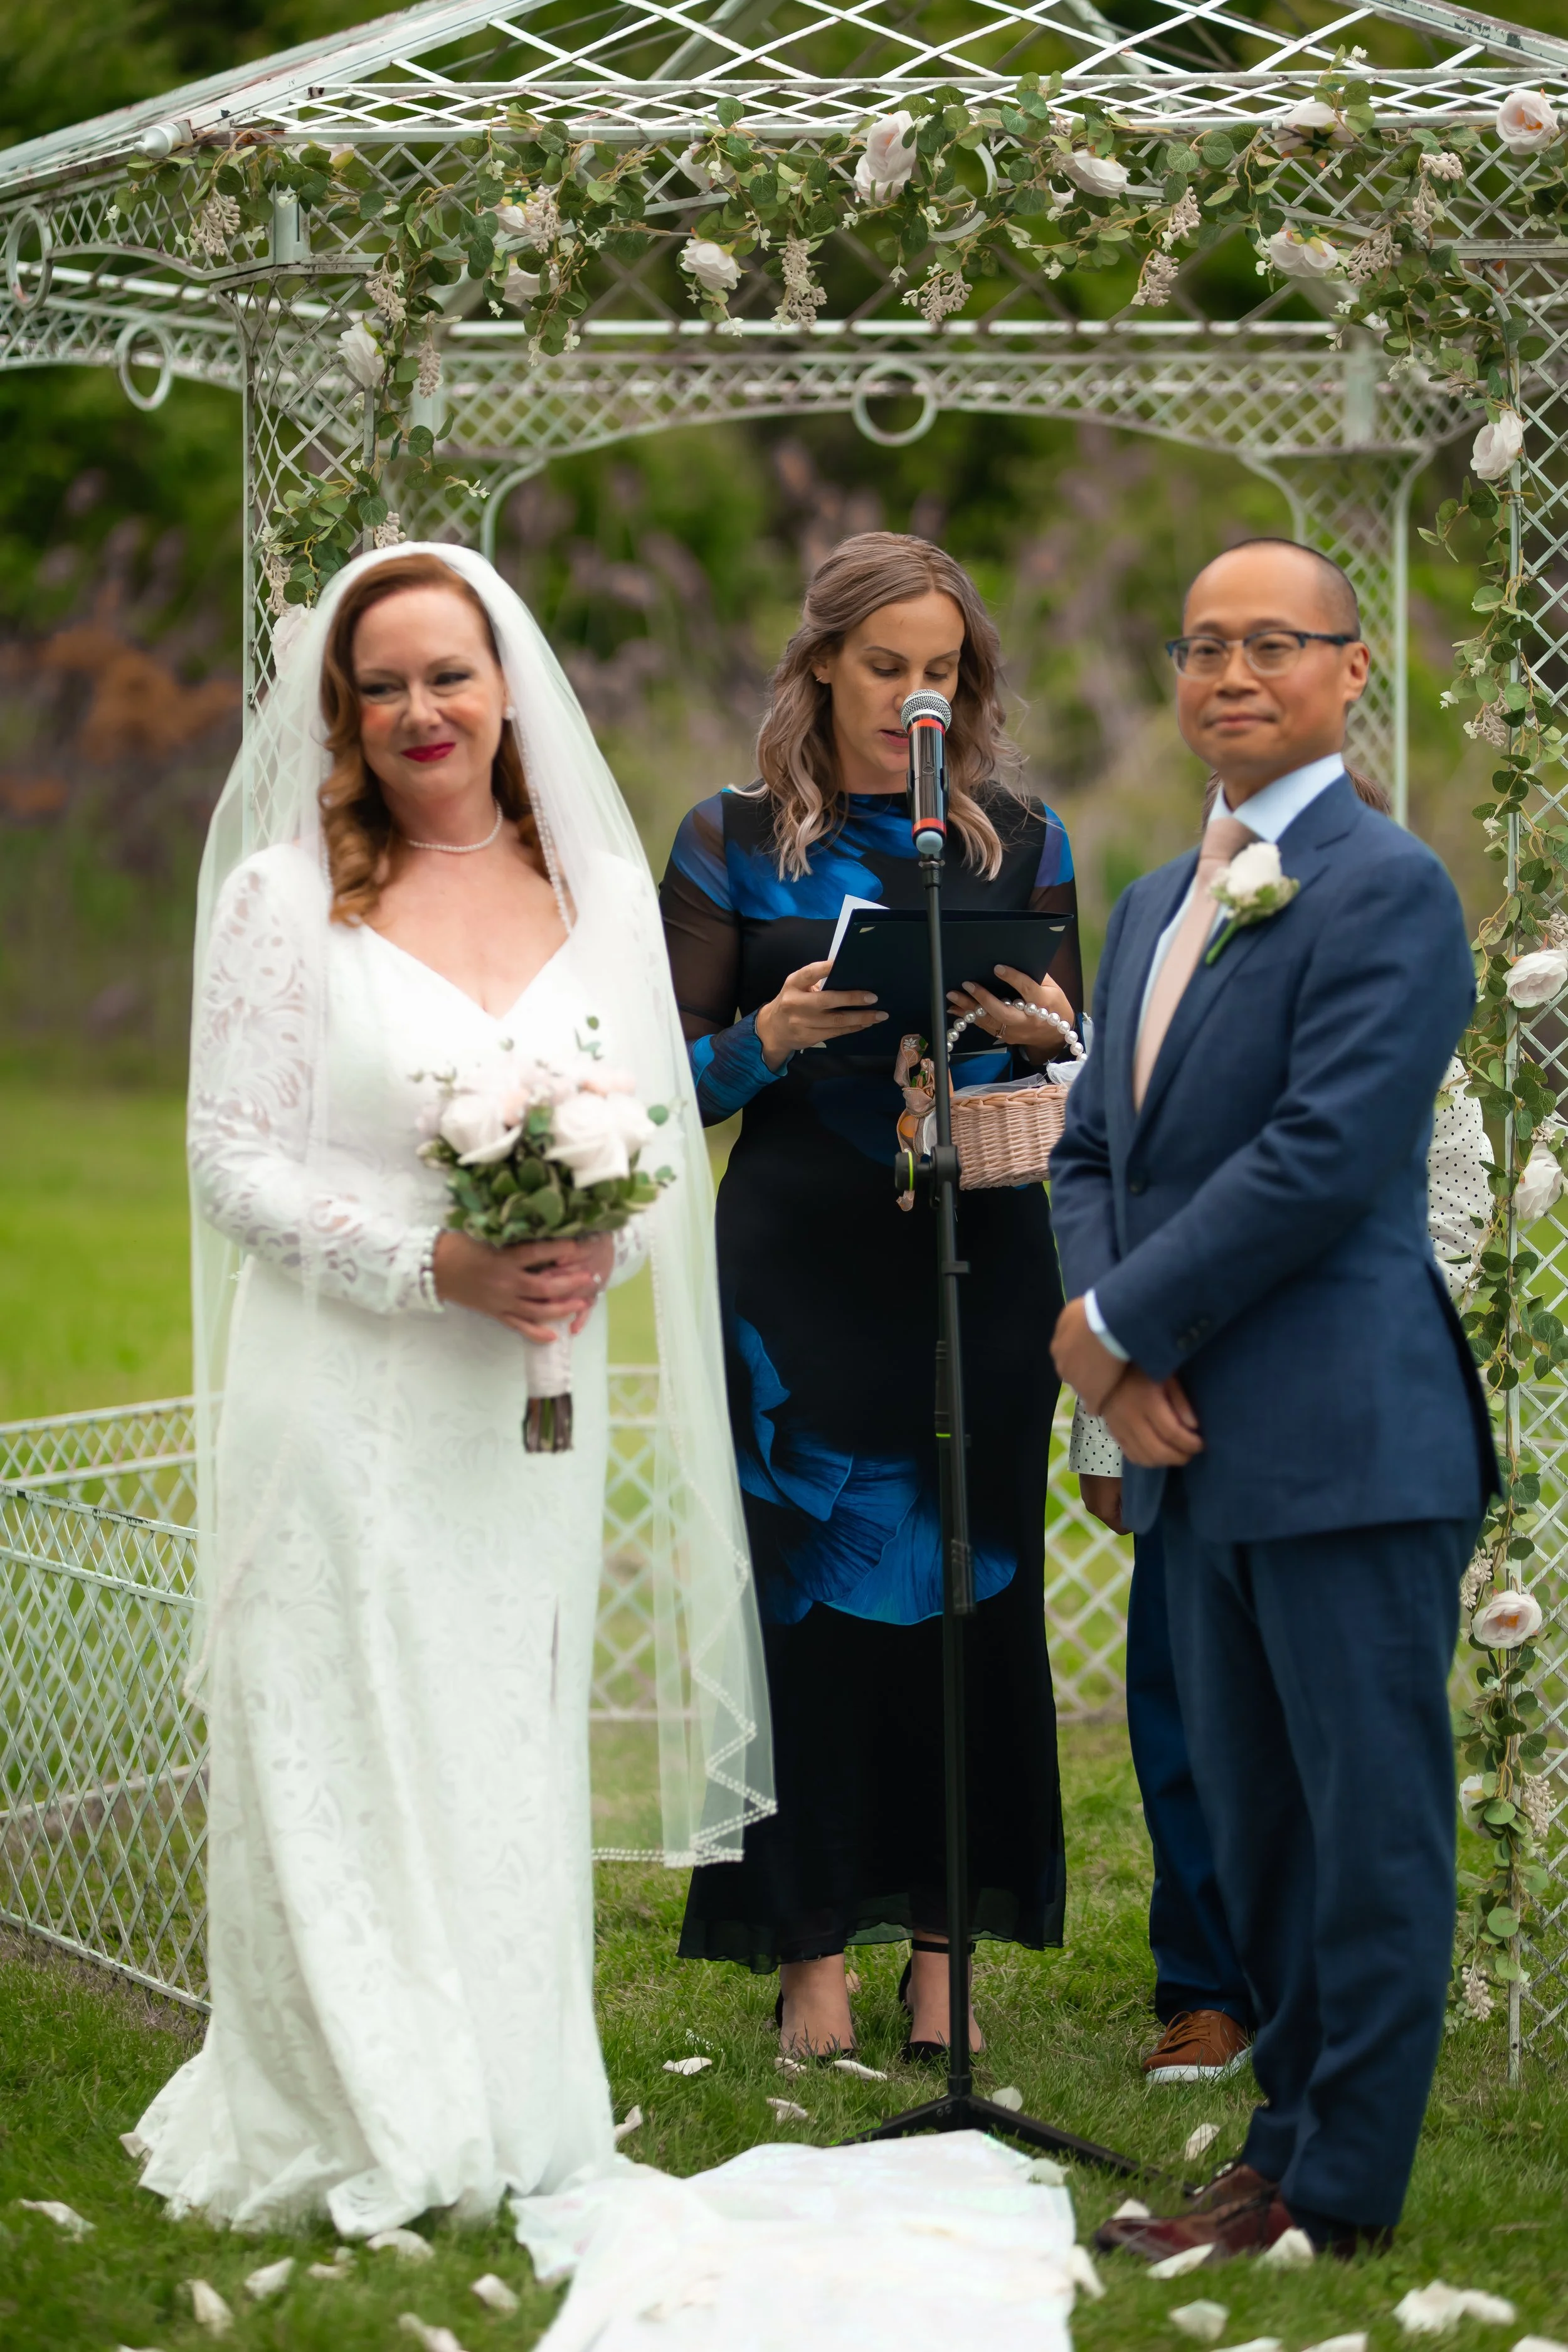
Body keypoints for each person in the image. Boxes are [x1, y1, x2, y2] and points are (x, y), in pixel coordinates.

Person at [132, 546, 771, 2235]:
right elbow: (226, 1158)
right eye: (384, 682)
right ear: (341, 711)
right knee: (343, 1721)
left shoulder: (600, 897)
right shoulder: (286, 897)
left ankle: (505, 2080)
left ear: (507, 689)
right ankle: (355, 2098)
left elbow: (641, 1149)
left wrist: (577, 1262)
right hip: (340, 1393)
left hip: (520, 1414)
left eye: (449, 674)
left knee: (497, 1729)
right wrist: (432, 1267)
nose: (421, 710)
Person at [1049, 538, 1496, 2260]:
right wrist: (1115, 1338)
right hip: (1191, 1444)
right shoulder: (1162, 898)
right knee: (1250, 1832)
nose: (1230, 674)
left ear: (1345, 666)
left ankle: (1338, 2186)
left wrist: (1114, 1328)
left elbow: (1320, 1160)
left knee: (1363, 1828)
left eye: (1270, 644)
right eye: (1201, 646)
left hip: (1342, 1440)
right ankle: (1279, 2141)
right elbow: (1097, 1143)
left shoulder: (1389, 889)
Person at [660, 532, 1078, 2058]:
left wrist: (1036, 1036)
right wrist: (764, 1037)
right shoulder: (728, 838)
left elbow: (1070, 1058)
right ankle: (811, 1953)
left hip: (975, 1259)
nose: (913, 693)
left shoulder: (1021, 840)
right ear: (823, 663)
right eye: (884, 664)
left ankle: (945, 1962)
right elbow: (659, 1086)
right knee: (805, 1616)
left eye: (939, 670)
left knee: (975, 1600)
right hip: (794, 1271)